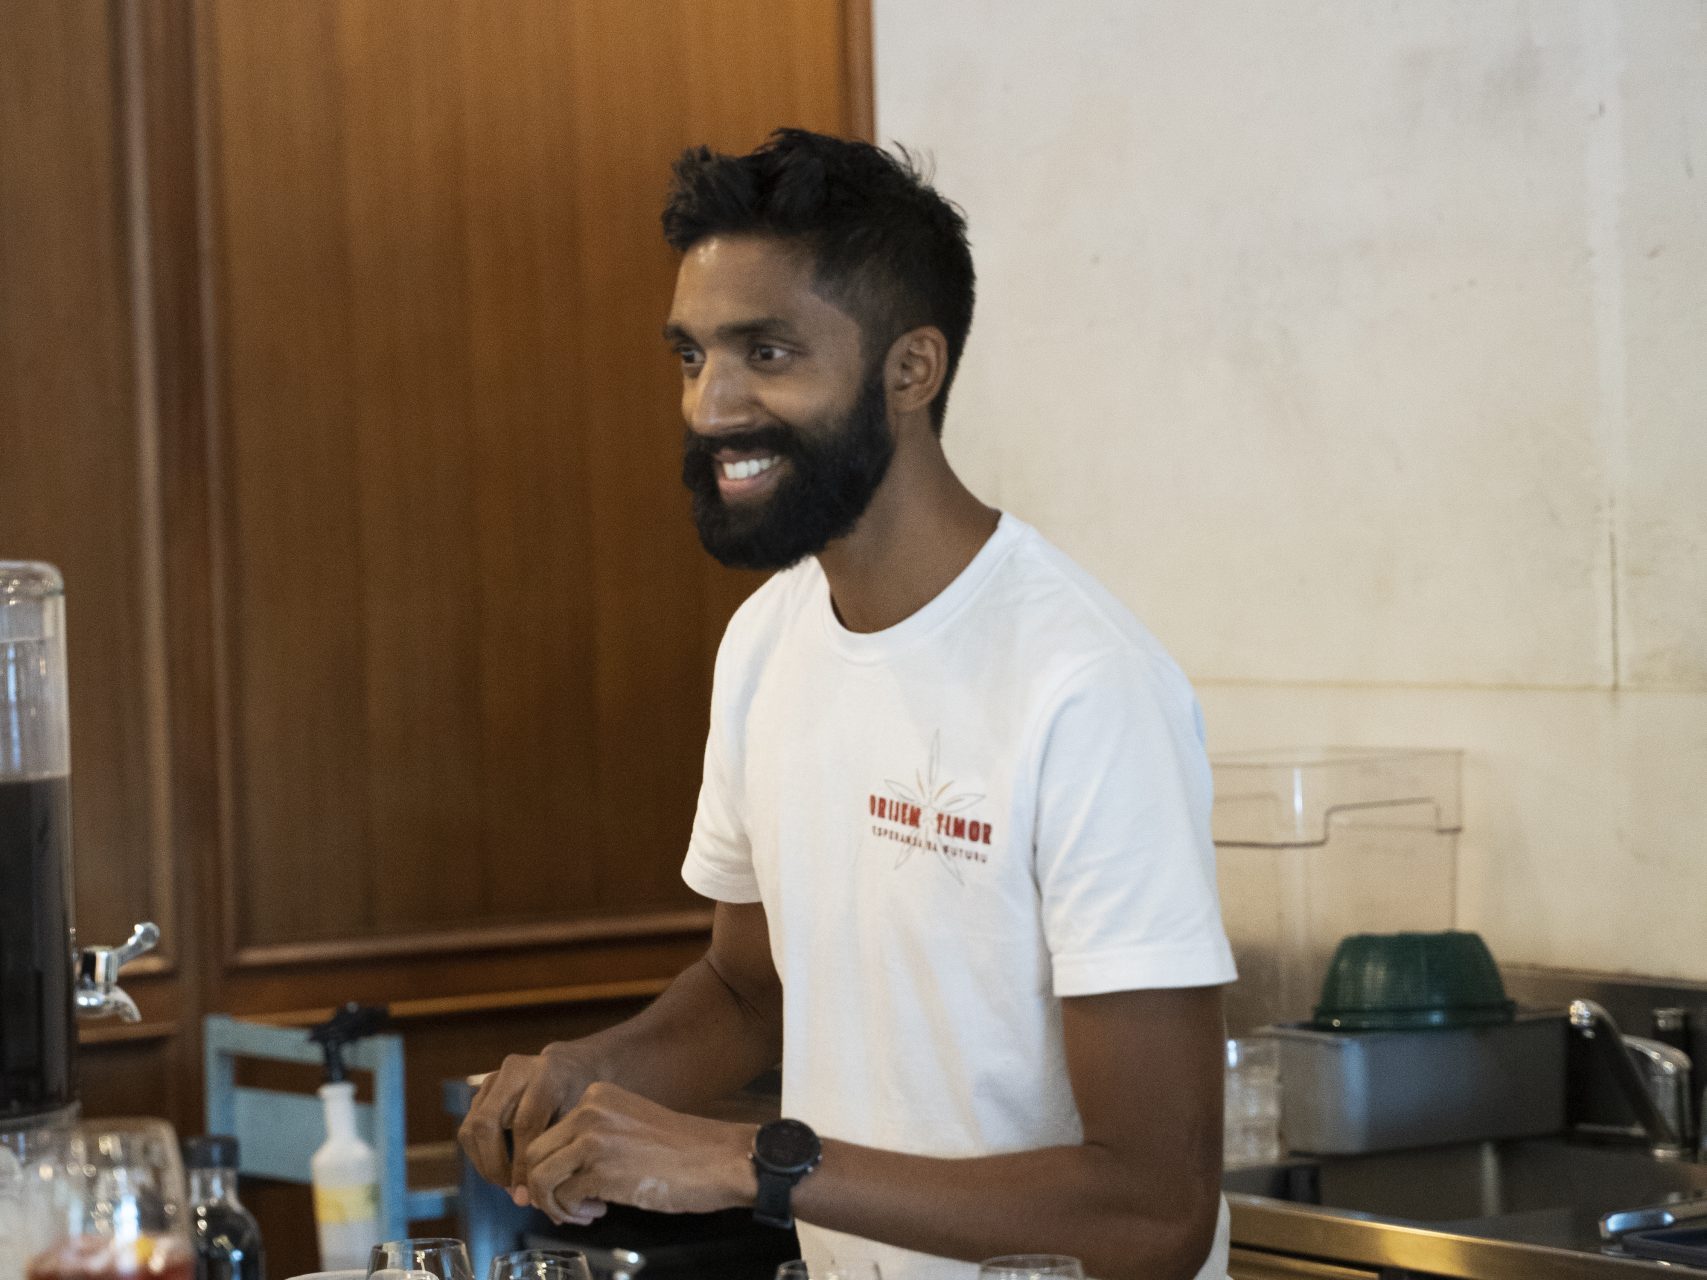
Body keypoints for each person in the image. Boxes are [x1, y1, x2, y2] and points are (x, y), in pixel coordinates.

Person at [459, 128, 1237, 1280]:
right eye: (690, 356)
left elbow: (1153, 1209)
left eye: (766, 351)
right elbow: (750, 987)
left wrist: (750, 1162)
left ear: (910, 370)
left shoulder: (1085, 685)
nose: (712, 404)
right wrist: (597, 1067)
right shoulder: (769, 639)